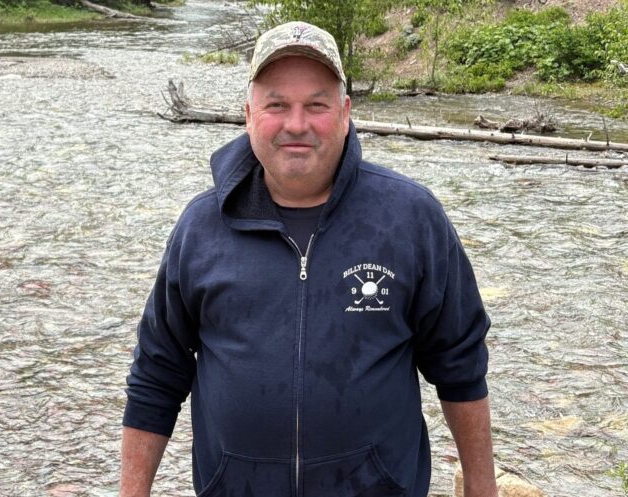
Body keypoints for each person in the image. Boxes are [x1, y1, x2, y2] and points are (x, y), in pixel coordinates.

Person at [121, 21, 498, 497]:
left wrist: (482, 489)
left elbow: (460, 363)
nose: (296, 124)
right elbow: (157, 373)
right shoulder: (200, 228)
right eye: (276, 104)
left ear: (344, 113)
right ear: (249, 115)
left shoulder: (410, 218)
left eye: (316, 105)